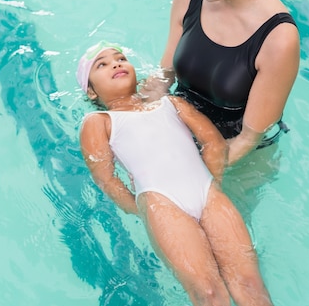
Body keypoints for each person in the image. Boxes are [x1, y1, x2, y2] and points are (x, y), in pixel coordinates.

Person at [76, 41, 274, 306]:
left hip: (208, 194)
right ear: (91, 91)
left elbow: (213, 143)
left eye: (120, 58)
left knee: (249, 283)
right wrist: (142, 209)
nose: (116, 63)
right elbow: (106, 179)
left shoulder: (173, 104)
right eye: (102, 64)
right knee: (208, 292)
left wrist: (210, 185)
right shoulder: (98, 122)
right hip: (162, 203)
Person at [144, 0, 300, 165]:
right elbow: (164, 76)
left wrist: (186, 167)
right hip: (180, 127)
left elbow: (247, 140)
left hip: (237, 157)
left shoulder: (278, 38)